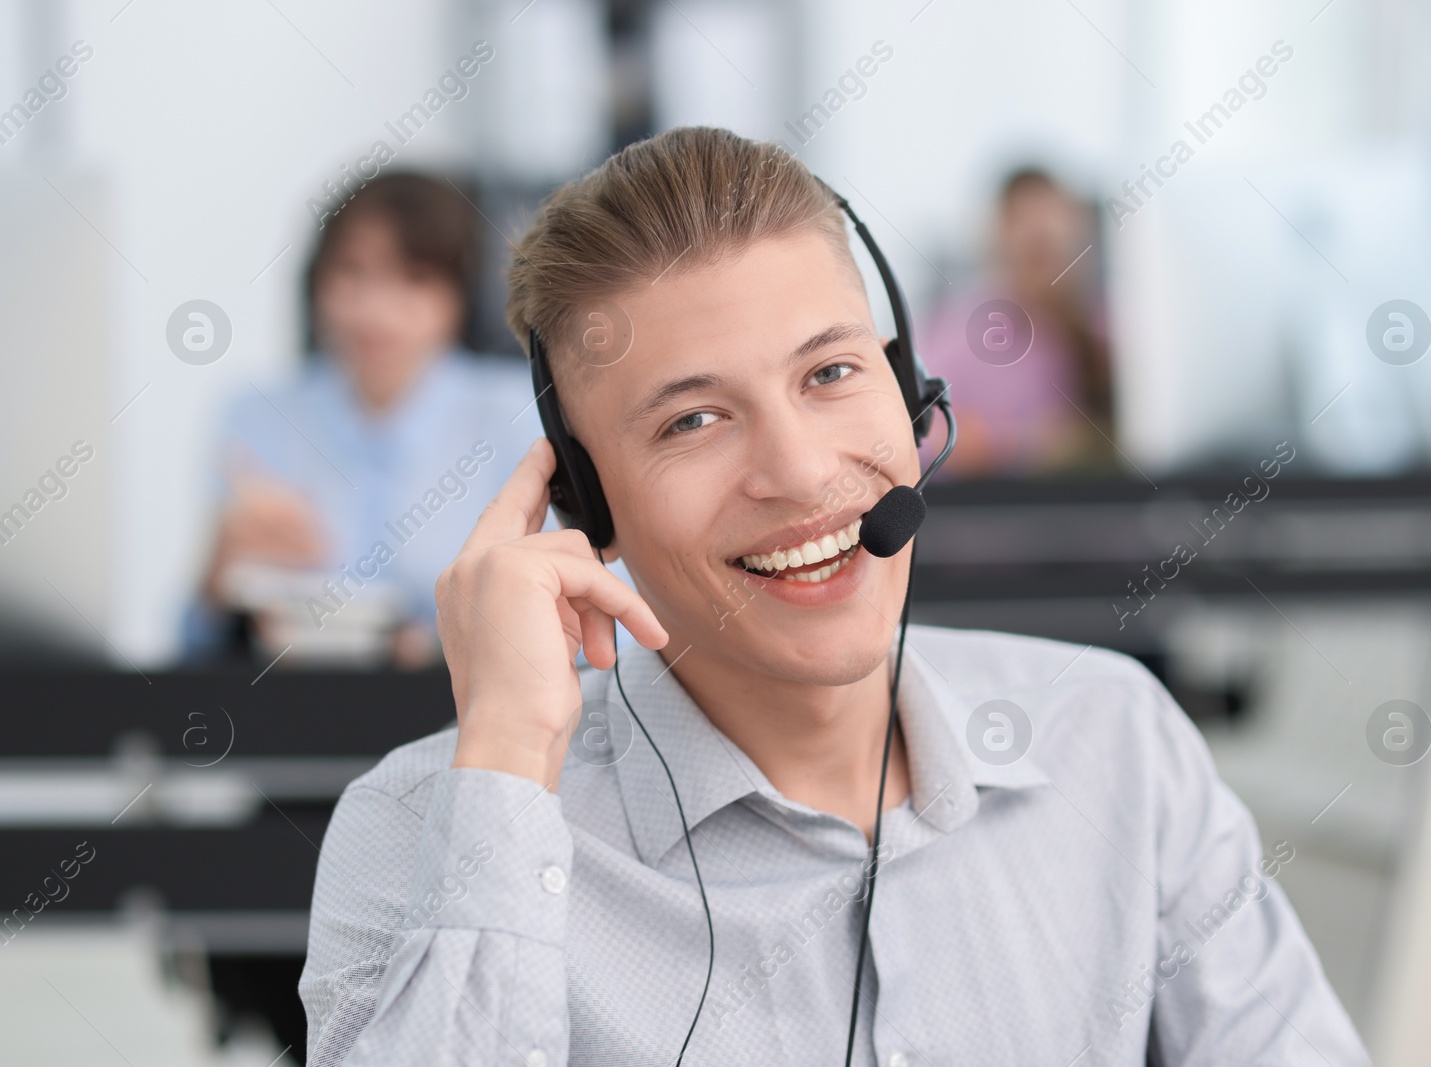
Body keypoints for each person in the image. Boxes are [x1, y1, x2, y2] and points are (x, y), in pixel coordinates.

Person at [299, 128, 1368, 1065]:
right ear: (584, 502)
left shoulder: (1114, 740)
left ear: (908, 396)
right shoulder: (419, 826)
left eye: (829, 375)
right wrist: (506, 763)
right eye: (691, 421)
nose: (802, 472)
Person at [185, 173, 620, 667]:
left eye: (413, 279)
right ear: (316, 283)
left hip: (467, 706)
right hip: (293, 706)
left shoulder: (520, 412)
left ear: (459, 301)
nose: (375, 309)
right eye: (351, 272)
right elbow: (191, 645)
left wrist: (450, 639)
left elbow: (607, 625)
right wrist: (218, 586)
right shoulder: (257, 415)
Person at [917, 166, 1116, 477]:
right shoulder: (962, 329)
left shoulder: (1100, 326)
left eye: (1055, 245)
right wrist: (1025, 442)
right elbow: (924, 432)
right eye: (1034, 247)